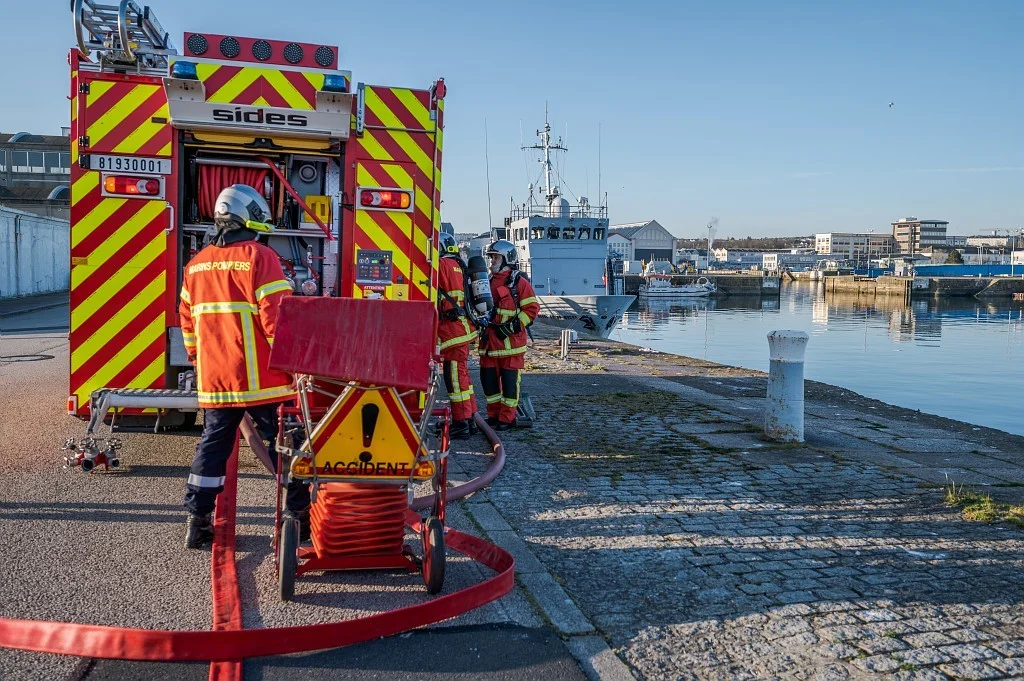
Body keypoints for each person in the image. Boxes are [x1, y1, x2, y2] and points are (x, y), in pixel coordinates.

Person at [178, 184, 310, 549]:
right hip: (262, 382)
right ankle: (299, 517)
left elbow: (188, 325)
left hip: (217, 382)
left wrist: (199, 361)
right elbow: (277, 320)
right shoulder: (259, 257)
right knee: (288, 444)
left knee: (213, 446)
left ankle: (197, 520)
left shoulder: (196, 264)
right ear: (247, 217)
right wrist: (295, 365)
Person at [478, 240, 540, 431]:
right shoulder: (486, 281)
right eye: (491, 257)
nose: (492, 261)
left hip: (510, 344)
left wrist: (514, 325)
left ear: (507, 258)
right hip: (489, 343)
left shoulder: (519, 282)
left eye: (496, 257)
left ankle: (507, 417)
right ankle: (494, 415)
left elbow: (531, 308)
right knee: (489, 384)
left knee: (510, 384)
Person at [436, 233, 479, 439]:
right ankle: (469, 419)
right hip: (462, 328)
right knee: (463, 377)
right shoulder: (458, 265)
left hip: (452, 330)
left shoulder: (442, 264)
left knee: (454, 379)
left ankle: (461, 423)